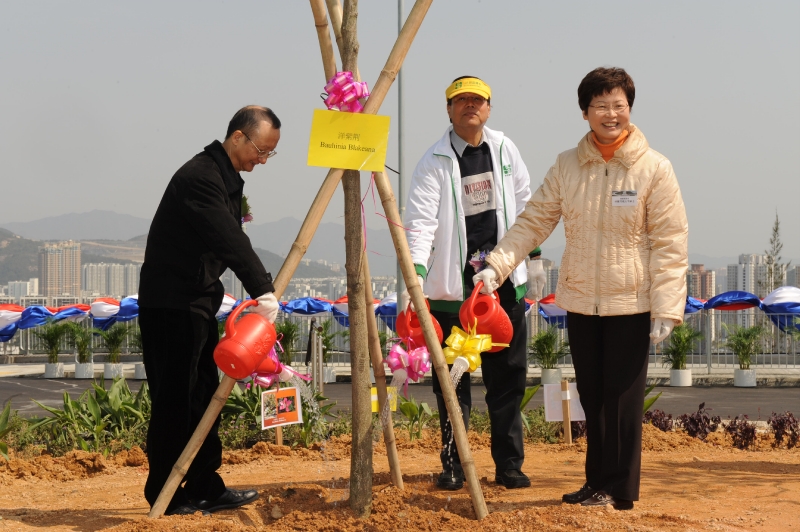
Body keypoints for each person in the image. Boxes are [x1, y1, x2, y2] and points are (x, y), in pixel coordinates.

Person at [476, 67, 688, 510]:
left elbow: (670, 241)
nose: (611, 114)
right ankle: (596, 483)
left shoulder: (655, 168)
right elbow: (534, 220)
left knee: (623, 402)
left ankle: (621, 491)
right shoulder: (567, 166)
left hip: (631, 301)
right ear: (585, 112)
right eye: (600, 106)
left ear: (629, 109)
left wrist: (667, 307)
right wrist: (497, 266)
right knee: (593, 396)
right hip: (580, 299)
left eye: (619, 105)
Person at [138, 106, 282, 516]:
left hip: (197, 302)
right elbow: (228, 238)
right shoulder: (200, 177)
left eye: (270, 154)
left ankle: (204, 484)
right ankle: (164, 492)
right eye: (260, 149)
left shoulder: (225, 176)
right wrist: (263, 290)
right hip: (171, 305)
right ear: (237, 137)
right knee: (175, 400)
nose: (262, 159)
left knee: (202, 396)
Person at [402, 76, 534, 490]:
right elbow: (420, 224)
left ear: (489, 108)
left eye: (477, 100)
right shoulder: (433, 161)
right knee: (451, 385)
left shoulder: (505, 149)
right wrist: (416, 278)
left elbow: (528, 205)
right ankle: (453, 464)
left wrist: (528, 259)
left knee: (507, 381)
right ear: (448, 110)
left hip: (503, 287)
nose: (470, 107)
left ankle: (509, 465)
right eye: (461, 101)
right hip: (450, 294)